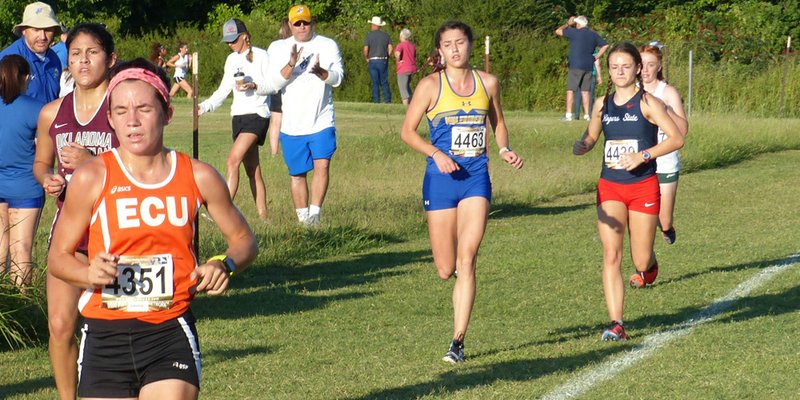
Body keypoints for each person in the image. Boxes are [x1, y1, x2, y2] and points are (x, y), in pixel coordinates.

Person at [47, 57, 258, 399]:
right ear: (111, 120)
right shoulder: (91, 177)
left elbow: (244, 240)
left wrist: (224, 263)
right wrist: (89, 273)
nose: (132, 121)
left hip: (169, 331)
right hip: (104, 334)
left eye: (144, 108)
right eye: (120, 111)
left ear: (167, 113)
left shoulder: (198, 175)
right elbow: (58, 258)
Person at [400, 21, 524, 363]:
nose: (455, 49)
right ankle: (456, 279)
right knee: (445, 268)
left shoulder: (489, 83)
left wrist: (503, 149)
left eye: (460, 42)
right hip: (440, 180)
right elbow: (408, 132)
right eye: (448, 44)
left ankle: (457, 342)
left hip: (475, 178)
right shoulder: (429, 86)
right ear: (440, 51)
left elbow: (497, 122)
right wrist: (436, 154)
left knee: (467, 259)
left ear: (470, 45)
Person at [572, 42, 684, 341]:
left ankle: (650, 266)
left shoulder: (649, 103)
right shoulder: (601, 103)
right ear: (608, 71)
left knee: (640, 260)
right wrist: (582, 145)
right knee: (611, 254)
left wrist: (644, 155)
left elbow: (676, 139)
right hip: (610, 186)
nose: (620, 71)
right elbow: (592, 135)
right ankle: (616, 322)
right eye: (614, 66)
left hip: (643, 186)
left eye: (625, 66)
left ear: (637, 68)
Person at [32, 22, 119, 399]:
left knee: (117, 326)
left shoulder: (122, 108)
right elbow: (40, 163)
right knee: (60, 324)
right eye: (76, 54)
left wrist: (92, 160)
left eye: (92, 52)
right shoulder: (52, 113)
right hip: (69, 228)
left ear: (110, 59)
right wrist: (47, 179)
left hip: (117, 228)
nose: (83, 61)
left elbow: (142, 166)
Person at [267, 4, 344, 227]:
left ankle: (315, 215)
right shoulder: (278, 47)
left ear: (313, 23)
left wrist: (322, 73)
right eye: (297, 23)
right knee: (297, 174)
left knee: (322, 166)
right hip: (292, 124)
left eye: (306, 22)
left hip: (321, 118)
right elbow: (274, 83)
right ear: (289, 25)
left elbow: (338, 77)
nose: (302, 27)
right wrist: (291, 64)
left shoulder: (327, 45)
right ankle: (304, 223)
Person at [199, 19, 281, 221]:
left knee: (232, 161)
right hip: (238, 117)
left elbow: (274, 84)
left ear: (245, 36)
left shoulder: (262, 56)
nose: (230, 45)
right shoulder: (230, 60)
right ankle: (264, 218)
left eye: (234, 40)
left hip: (257, 115)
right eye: (227, 41)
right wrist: (205, 105)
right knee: (253, 171)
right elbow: (223, 89)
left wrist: (254, 85)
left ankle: (219, 211)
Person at [0, 55, 45, 287]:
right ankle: (22, 302)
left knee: (0, 249)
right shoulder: (37, 109)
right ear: (26, 77)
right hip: (26, 187)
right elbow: (44, 148)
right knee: (21, 250)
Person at [640, 42, 688, 245]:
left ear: (659, 66)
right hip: (640, 162)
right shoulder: (631, 90)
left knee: (663, 219)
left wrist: (664, 109)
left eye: (651, 65)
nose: (645, 70)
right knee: (643, 220)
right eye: (642, 64)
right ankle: (644, 265)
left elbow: (683, 131)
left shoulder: (667, 92)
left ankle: (668, 228)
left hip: (665, 161)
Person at [0, 1, 63, 103]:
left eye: (47, 30)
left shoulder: (54, 59)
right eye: (36, 29)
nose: (42, 37)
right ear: (23, 30)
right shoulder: (8, 61)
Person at [555, 15, 608, 122]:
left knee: (571, 90)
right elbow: (605, 45)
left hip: (575, 66)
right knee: (585, 91)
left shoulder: (574, 32)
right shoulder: (593, 34)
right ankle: (587, 115)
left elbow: (558, 31)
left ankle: (569, 115)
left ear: (578, 24)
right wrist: (596, 56)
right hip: (588, 66)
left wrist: (568, 24)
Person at [267, 18, 292, 156]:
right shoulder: (295, 45)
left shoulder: (274, 46)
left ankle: (274, 152)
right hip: (291, 86)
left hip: (275, 85)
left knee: (275, 120)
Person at [363, 16, 392, 103]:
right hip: (383, 60)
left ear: (374, 25)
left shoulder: (369, 36)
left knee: (375, 82)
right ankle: (387, 100)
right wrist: (387, 57)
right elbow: (390, 48)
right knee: (384, 81)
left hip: (372, 60)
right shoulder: (386, 36)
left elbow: (365, 49)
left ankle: (376, 101)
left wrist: (366, 58)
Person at [394, 28, 417, 107]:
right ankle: (413, 104)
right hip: (412, 68)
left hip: (403, 69)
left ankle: (405, 107)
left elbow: (397, 53)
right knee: (407, 87)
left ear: (401, 36)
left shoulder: (401, 45)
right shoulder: (412, 46)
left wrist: (398, 60)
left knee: (403, 88)